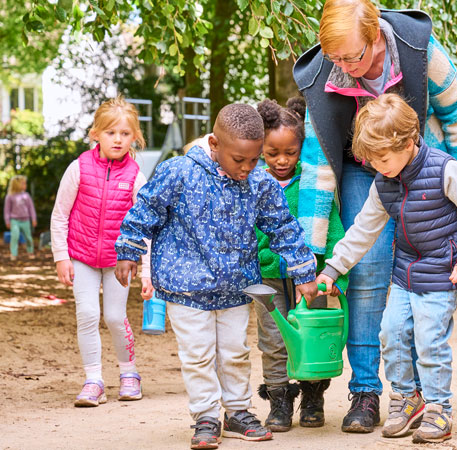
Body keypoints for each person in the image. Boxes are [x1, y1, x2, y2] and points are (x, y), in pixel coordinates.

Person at [293, 0, 457, 432]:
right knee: (370, 267)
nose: (342, 66)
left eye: (351, 57)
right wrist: (315, 253)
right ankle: (365, 392)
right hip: (364, 168)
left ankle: (421, 395)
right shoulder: (327, 69)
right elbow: (317, 159)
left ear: (375, 37)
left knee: (423, 279)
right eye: (333, 57)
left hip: (422, 161)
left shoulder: (418, 49)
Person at [113, 103, 318, 449]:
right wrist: (129, 249)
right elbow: (144, 209)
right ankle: (206, 416)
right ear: (214, 143)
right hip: (186, 287)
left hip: (236, 286)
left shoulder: (260, 182)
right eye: (239, 159)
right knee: (198, 354)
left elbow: (282, 227)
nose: (247, 167)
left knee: (236, 351)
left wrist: (303, 270)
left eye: (254, 159)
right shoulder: (178, 172)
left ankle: (237, 411)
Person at [315, 94, 457, 443]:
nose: (378, 166)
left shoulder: (447, 171)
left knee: (429, 342)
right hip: (406, 274)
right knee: (391, 334)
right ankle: (407, 399)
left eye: (383, 158)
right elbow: (363, 229)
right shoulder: (385, 183)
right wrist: (334, 268)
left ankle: (439, 408)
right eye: (372, 160)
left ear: (409, 142)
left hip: (443, 274)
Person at [50, 96, 153, 407]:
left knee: (113, 316)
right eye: (110, 133)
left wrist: (146, 271)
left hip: (119, 262)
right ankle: (93, 379)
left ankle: (129, 373)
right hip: (81, 256)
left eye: (124, 133)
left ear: (134, 136)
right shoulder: (78, 168)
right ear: (96, 133)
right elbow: (60, 215)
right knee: (87, 314)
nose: (118, 139)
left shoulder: (136, 176)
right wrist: (61, 256)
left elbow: (145, 226)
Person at [254, 97, 349, 432]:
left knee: (314, 337)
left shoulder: (314, 185)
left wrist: (338, 278)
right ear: (261, 149)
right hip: (269, 280)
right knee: (273, 341)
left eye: (290, 153)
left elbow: (335, 233)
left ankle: (313, 397)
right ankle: (280, 401)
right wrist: (268, 259)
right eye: (272, 153)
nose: (282, 160)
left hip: (314, 281)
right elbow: (251, 238)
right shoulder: (254, 186)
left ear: (302, 148)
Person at [4, 175, 37, 261]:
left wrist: (33, 218)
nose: (25, 185)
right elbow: (7, 210)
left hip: (25, 220)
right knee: (15, 236)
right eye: (23, 183)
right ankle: (13, 254)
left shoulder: (26, 195)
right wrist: (7, 221)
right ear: (17, 185)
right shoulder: (10, 196)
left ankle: (30, 251)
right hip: (14, 220)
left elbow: (31, 208)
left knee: (28, 237)